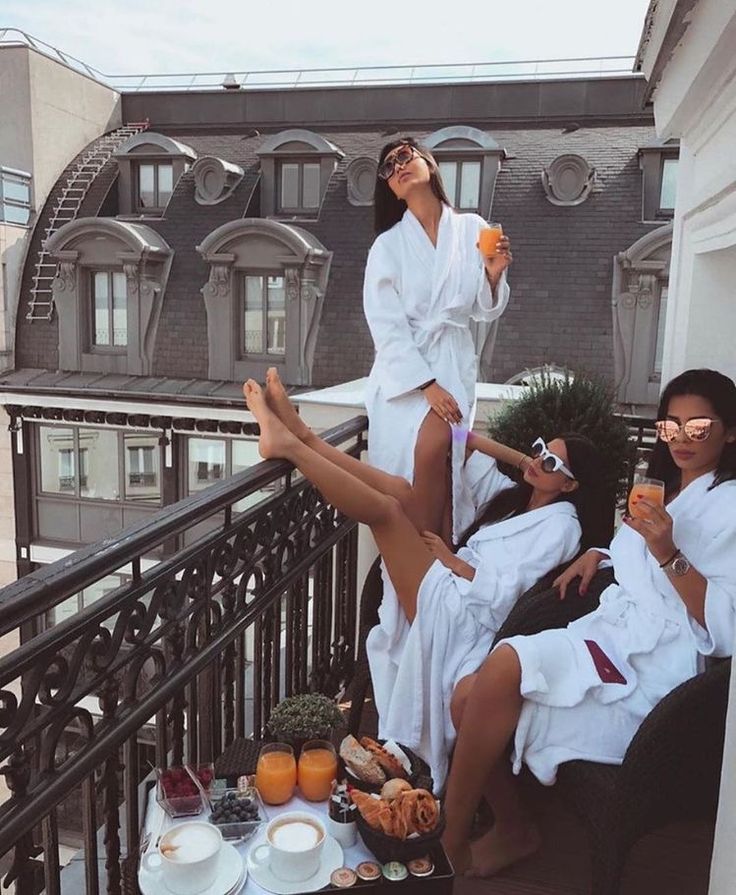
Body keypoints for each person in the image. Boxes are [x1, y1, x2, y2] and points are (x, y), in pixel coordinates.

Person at [244, 368, 608, 788]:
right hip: (454, 591)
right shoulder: (517, 502)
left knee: (387, 513)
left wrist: (457, 566)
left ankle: (289, 445)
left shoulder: (564, 527)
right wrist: (523, 459)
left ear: (571, 484)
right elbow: (462, 443)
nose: (538, 460)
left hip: (464, 618)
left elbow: (512, 594)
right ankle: (304, 436)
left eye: (551, 461)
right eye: (540, 449)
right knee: (400, 489)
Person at [441, 368, 736, 878]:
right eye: (671, 426)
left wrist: (668, 552)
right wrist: (600, 553)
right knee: (464, 696)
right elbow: (635, 560)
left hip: (654, 670)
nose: (682, 438)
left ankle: (447, 843)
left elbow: (725, 624)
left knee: (504, 664)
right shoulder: (666, 490)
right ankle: (513, 827)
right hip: (610, 634)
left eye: (700, 427)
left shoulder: (731, 507)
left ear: (730, 431)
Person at [364, 137, 512, 546]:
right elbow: (386, 325)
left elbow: (485, 309)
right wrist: (426, 384)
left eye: (405, 156)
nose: (398, 167)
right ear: (389, 187)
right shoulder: (387, 246)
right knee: (425, 454)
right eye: (389, 167)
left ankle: (435, 554)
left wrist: (494, 275)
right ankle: (419, 554)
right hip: (405, 377)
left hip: (452, 361)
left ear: (428, 162)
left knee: (445, 460)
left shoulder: (473, 229)